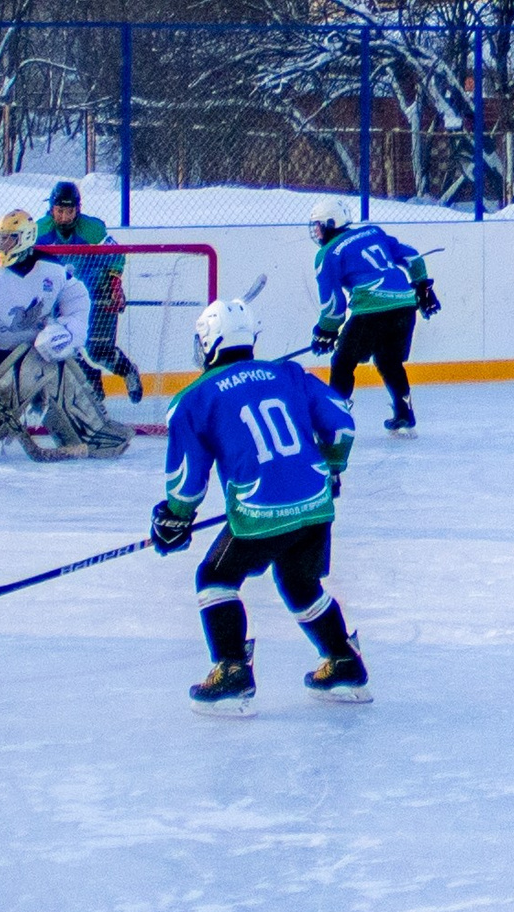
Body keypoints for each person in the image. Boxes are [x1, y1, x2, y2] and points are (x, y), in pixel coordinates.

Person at [151, 297, 367, 715]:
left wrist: (175, 519)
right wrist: (333, 469)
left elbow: (187, 482)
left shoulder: (193, 399)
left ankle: (231, 673)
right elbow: (341, 424)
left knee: (215, 577)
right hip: (314, 502)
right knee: (300, 585)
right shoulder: (289, 373)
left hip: (259, 509)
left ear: (208, 342)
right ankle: (343, 662)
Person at [0, 210, 126, 460]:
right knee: (2, 396)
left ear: (26, 238)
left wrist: (68, 332)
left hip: (43, 352)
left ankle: (92, 434)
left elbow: (77, 298)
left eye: (9, 238)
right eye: (0, 238)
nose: (2, 244)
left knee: (63, 377)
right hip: (4, 356)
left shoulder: (52, 269)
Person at [309, 198, 438, 437]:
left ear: (330, 223)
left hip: (371, 310)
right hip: (404, 306)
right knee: (389, 361)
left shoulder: (327, 254)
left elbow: (333, 303)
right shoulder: (372, 232)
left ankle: (336, 418)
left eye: (318, 226)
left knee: (342, 363)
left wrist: (326, 330)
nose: (316, 232)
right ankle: (404, 413)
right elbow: (413, 258)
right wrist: (422, 287)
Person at [37, 181, 144, 403]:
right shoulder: (40, 231)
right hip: (62, 302)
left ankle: (127, 371)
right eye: (60, 211)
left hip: (97, 295)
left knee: (98, 350)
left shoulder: (93, 229)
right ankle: (93, 384)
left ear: (78, 209)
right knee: (60, 345)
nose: (65, 217)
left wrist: (114, 285)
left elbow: (116, 254)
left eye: (70, 211)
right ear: (51, 209)